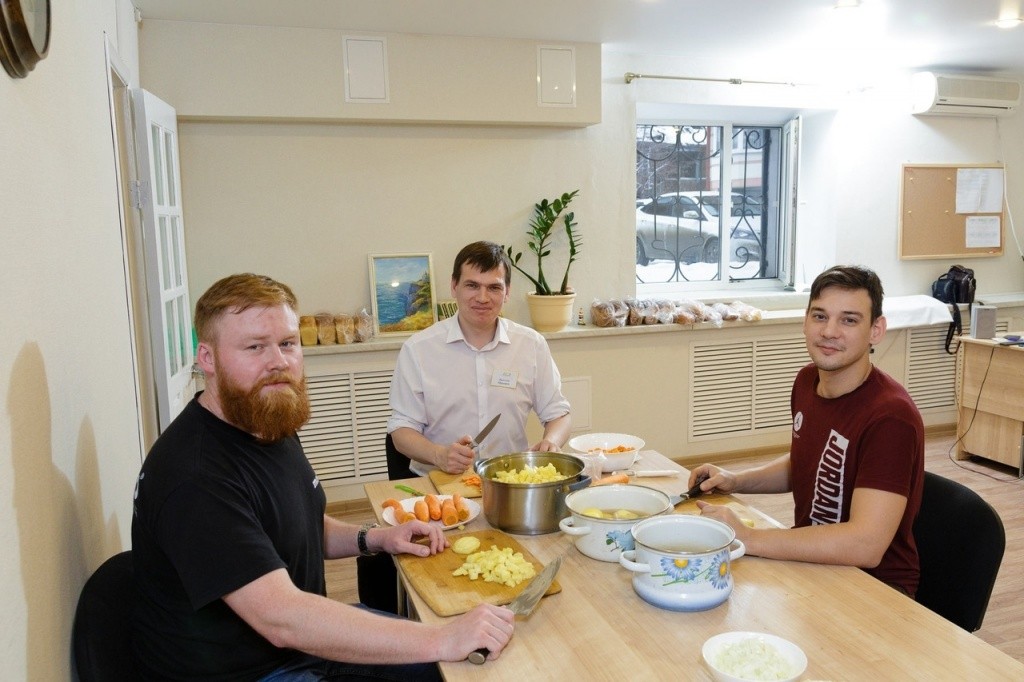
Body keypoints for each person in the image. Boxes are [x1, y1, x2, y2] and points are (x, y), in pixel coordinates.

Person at [131, 273, 515, 681]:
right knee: (447, 660)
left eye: (287, 343)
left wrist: (375, 538)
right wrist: (442, 639)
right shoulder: (195, 476)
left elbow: (296, 527)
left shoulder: (264, 418)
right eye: (255, 347)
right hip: (257, 669)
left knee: (467, 666)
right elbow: (282, 619)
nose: (279, 362)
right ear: (207, 358)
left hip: (297, 647)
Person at [688, 265, 925, 597]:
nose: (829, 331)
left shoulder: (891, 417)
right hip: (812, 564)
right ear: (805, 321)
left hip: (875, 588)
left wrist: (750, 537)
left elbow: (866, 545)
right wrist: (735, 480)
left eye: (849, 320)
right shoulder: (806, 381)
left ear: (876, 330)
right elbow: (807, 463)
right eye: (820, 316)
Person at [388, 240, 572, 475]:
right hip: (438, 481)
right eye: (472, 285)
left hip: (508, 479)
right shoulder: (418, 350)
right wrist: (438, 454)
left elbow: (558, 414)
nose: (483, 298)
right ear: (454, 286)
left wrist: (551, 442)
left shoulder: (531, 345)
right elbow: (401, 430)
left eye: (494, 287)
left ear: (507, 292)